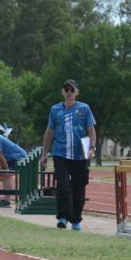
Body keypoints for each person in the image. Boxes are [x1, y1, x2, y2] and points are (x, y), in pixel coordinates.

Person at [41, 79, 96, 231]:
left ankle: (76, 219)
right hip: (61, 153)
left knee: (79, 189)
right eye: (67, 90)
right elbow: (49, 131)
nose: (69, 93)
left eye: (72, 90)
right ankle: (63, 218)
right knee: (63, 186)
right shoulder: (55, 110)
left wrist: (92, 148)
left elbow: (91, 130)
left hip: (79, 155)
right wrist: (44, 153)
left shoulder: (84, 109)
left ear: (77, 92)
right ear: (62, 92)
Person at [0, 124, 27, 207]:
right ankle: (1, 199)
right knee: (4, 174)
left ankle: (7, 201)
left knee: (7, 175)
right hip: (10, 158)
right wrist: (2, 167)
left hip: (19, 157)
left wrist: (5, 168)